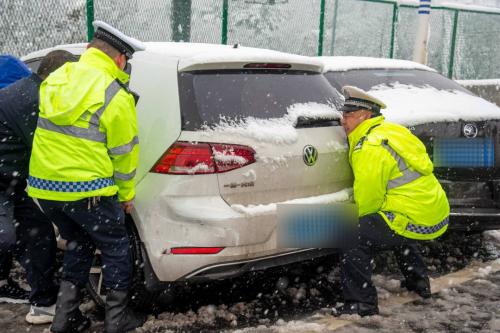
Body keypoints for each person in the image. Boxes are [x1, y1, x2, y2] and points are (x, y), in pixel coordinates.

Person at [28, 21, 145, 333]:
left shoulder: (57, 78)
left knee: (78, 241)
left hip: (44, 189)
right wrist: (125, 195)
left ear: (91, 50)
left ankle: (64, 319)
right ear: (120, 59)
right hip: (88, 189)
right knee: (115, 246)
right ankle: (117, 321)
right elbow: (124, 153)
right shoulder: (114, 94)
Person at [334, 86, 450, 317]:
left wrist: (350, 219)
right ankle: (419, 284)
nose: (342, 121)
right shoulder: (392, 131)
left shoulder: (370, 146)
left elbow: (368, 199)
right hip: (435, 214)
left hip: (415, 218)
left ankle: (362, 304)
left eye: (347, 116)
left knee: (350, 233)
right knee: (395, 223)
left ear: (364, 116)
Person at [0, 51, 75, 326]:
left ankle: (44, 304)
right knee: (6, 236)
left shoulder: (37, 92)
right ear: (58, 75)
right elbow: (48, 147)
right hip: (4, 176)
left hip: (16, 179)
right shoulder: (32, 98)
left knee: (38, 234)